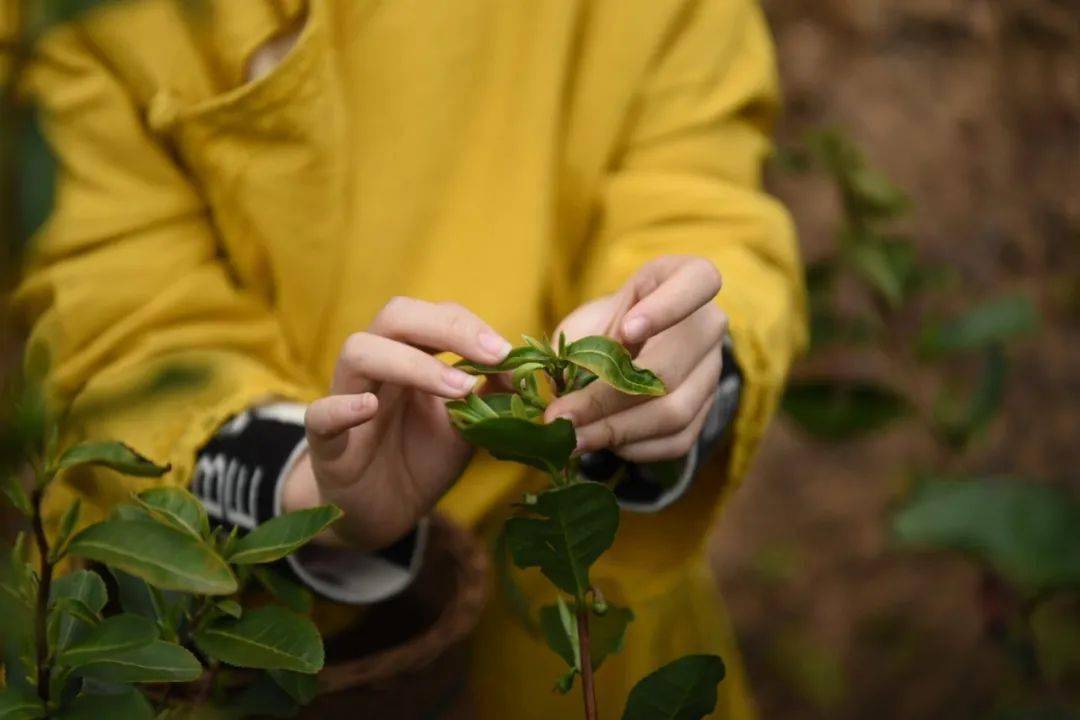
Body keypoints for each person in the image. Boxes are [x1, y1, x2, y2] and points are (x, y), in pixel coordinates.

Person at [15, 0, 806, 717]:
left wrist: (689, 355)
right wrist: (304, 481)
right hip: (223, 654)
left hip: (585, 622)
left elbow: (699, 181)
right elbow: (111, 301)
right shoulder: (80, 23)